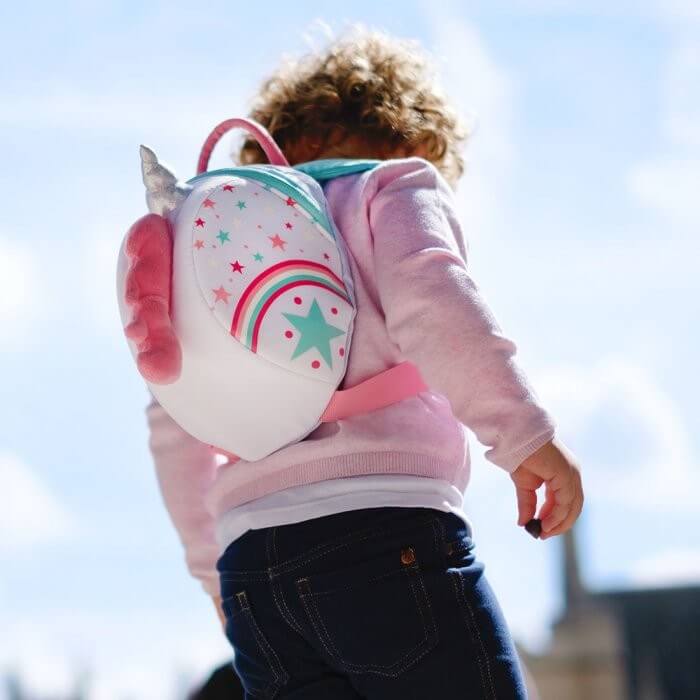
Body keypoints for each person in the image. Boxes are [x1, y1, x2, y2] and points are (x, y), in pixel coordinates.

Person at [137, 26, 583, 699]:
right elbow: (434, 301)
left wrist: (213, 573)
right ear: (412, 140)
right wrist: (522, 434)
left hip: (253, 573)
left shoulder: (217, 249)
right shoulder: (388, 186)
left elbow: (174, 419)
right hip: (384, 535)